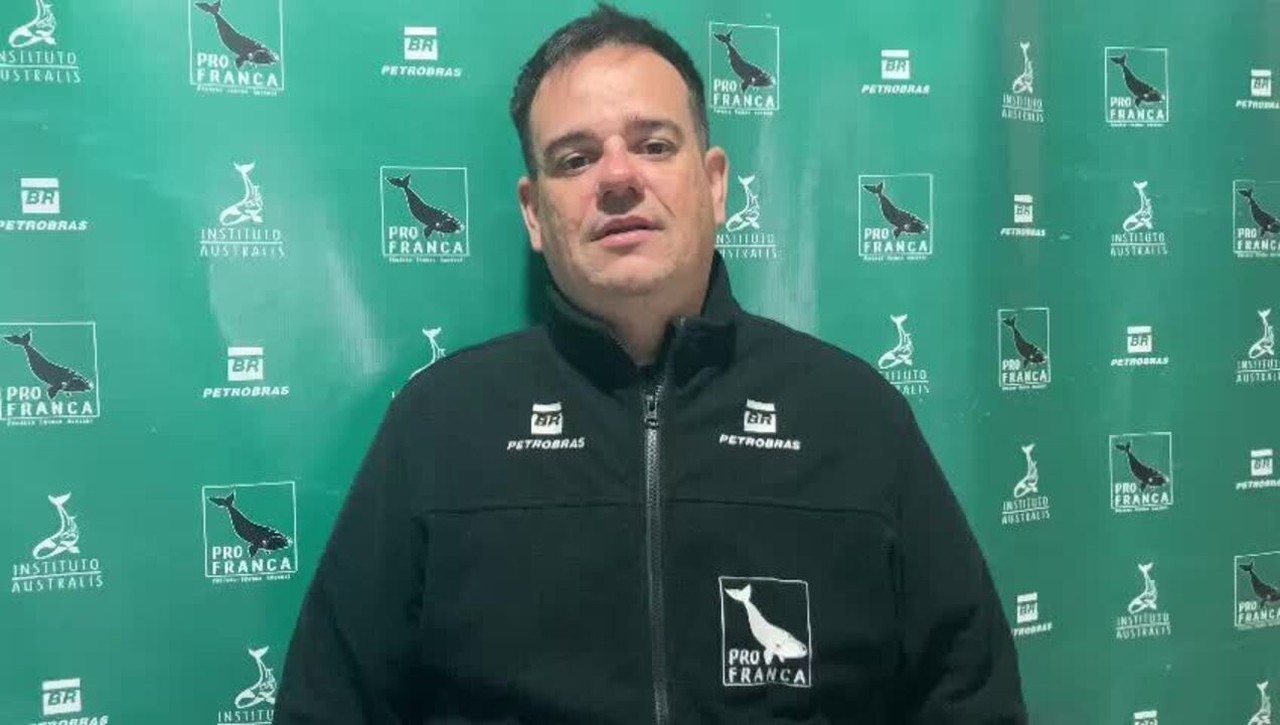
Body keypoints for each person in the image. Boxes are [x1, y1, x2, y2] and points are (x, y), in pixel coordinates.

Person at [272, 4, 1027, 723]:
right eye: (576, 158)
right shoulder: (440, 427)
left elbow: (968, 698)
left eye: (655, 145)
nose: (618, 177)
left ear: (716, 184)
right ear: (535, 213)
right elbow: (329, 706)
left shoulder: (854, 417)